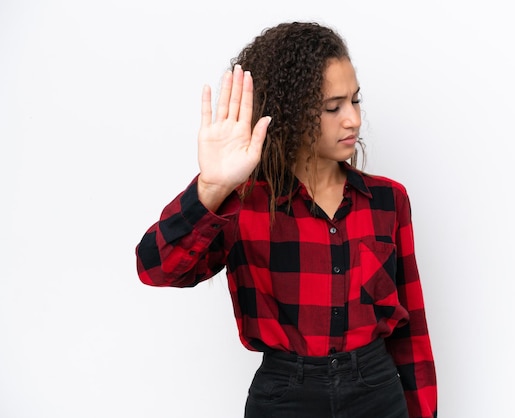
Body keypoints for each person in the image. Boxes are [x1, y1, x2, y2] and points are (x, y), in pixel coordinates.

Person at [135, 21, 437, 418]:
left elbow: (410, 328)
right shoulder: (242, 205)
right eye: (333, 107)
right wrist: (211, 188)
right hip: (286, 397)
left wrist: (424, 411)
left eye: (355, 101)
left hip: (377, 392)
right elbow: (156, 268)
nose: (353, 120)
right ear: (291, 113)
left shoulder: (386, 200)